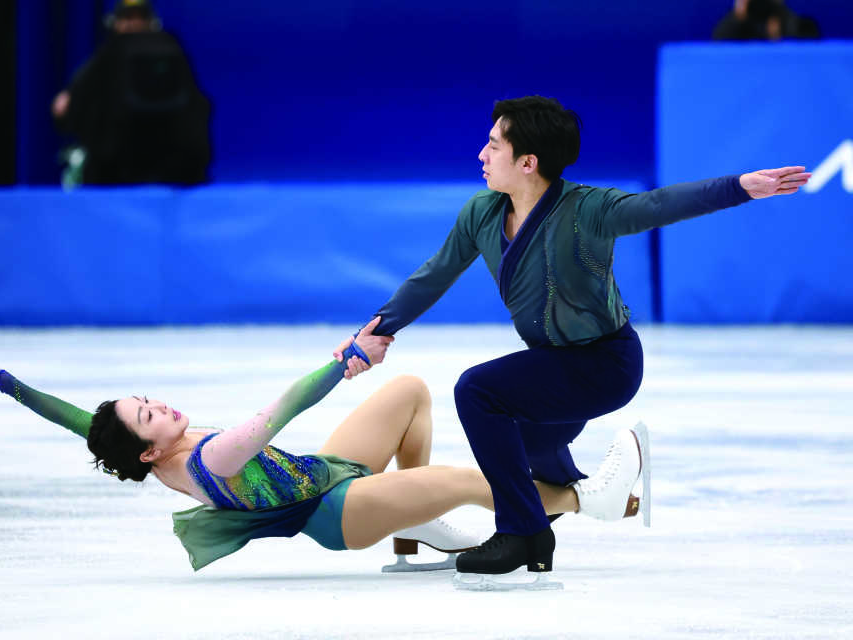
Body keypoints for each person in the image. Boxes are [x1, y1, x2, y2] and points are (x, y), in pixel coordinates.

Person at [334, 95, 811, 584]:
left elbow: (660, 205)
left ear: (528, 162)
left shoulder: (588, 210)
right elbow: (433, 276)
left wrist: (739, 187)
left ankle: (523, 533)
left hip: (604, 365)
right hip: (552, 364)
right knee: (518, 445)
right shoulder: (483, 212)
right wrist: (376, 332)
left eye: (494, 145)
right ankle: (578, 493)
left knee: (477, 390)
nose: (481, 154)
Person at [0, 317, 638, 575]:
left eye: (148, 400)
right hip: (336, 513)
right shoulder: (208, 459)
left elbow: (82, 421)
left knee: (410, 392)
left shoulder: (146, 450)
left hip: (327, 472)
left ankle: (413, 529)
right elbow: (284, 408)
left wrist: (7, 383)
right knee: (471, 479)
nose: (161, 407)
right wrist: (345, 360)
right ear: (149, 452)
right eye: (149, 416)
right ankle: (587, 501)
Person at [51, 0, 211, 185]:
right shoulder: (105, 59)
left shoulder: (171, 53)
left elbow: (196, 113)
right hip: (114, 173)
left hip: (170, 173)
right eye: (128, 18)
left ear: (151, 22)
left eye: (140, 18)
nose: (134, 24)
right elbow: (66, 107)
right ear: (116, 22)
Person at [713, 0, 821, 41]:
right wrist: (738, 16)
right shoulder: (739, 22)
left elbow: (811, 49)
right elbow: (719, 45)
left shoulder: (795, 23)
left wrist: (779, 39)